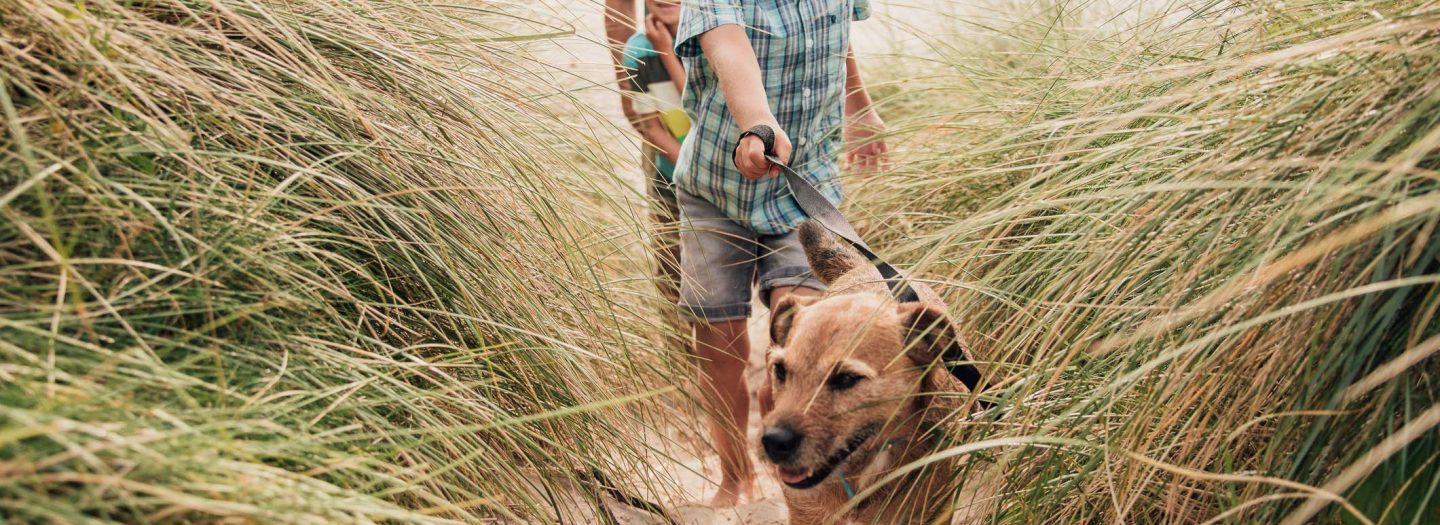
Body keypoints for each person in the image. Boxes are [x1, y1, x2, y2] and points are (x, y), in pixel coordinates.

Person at [670, 0, 889, 507]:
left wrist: (861, 107)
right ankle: (735, 474)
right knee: (718, 335)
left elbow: (838, 42)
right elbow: (728, 46)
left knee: (801, 337)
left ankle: (793, 452)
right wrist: (759, 125)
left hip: (804, 188)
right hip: (715, 189)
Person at [620, 0, 689, 310]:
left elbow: (699, 107)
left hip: (720, 176)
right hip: (671, 176)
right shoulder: (638, 51)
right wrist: (689, 167)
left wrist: (667, 51)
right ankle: (680, 356)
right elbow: (652, 127)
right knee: (671, 273)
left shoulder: (713, 38)